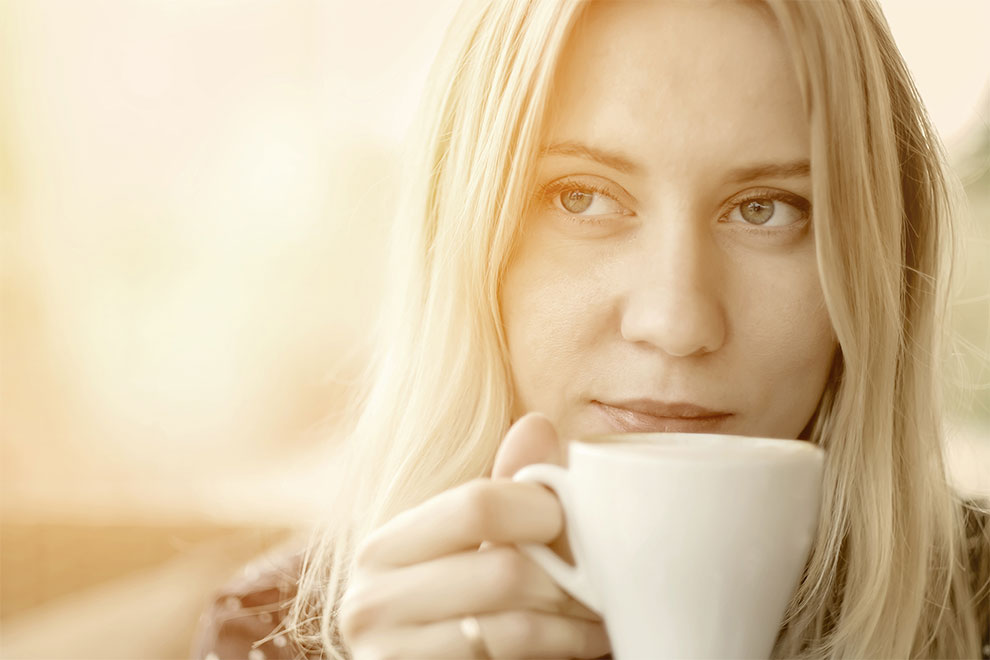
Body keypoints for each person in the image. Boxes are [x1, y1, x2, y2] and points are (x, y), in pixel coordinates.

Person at [192, 0, 990, 658]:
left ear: (879, 267)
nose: (676, 322)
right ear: (469, 242)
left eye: (765, 209)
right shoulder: (278, 631)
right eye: (583, 197)